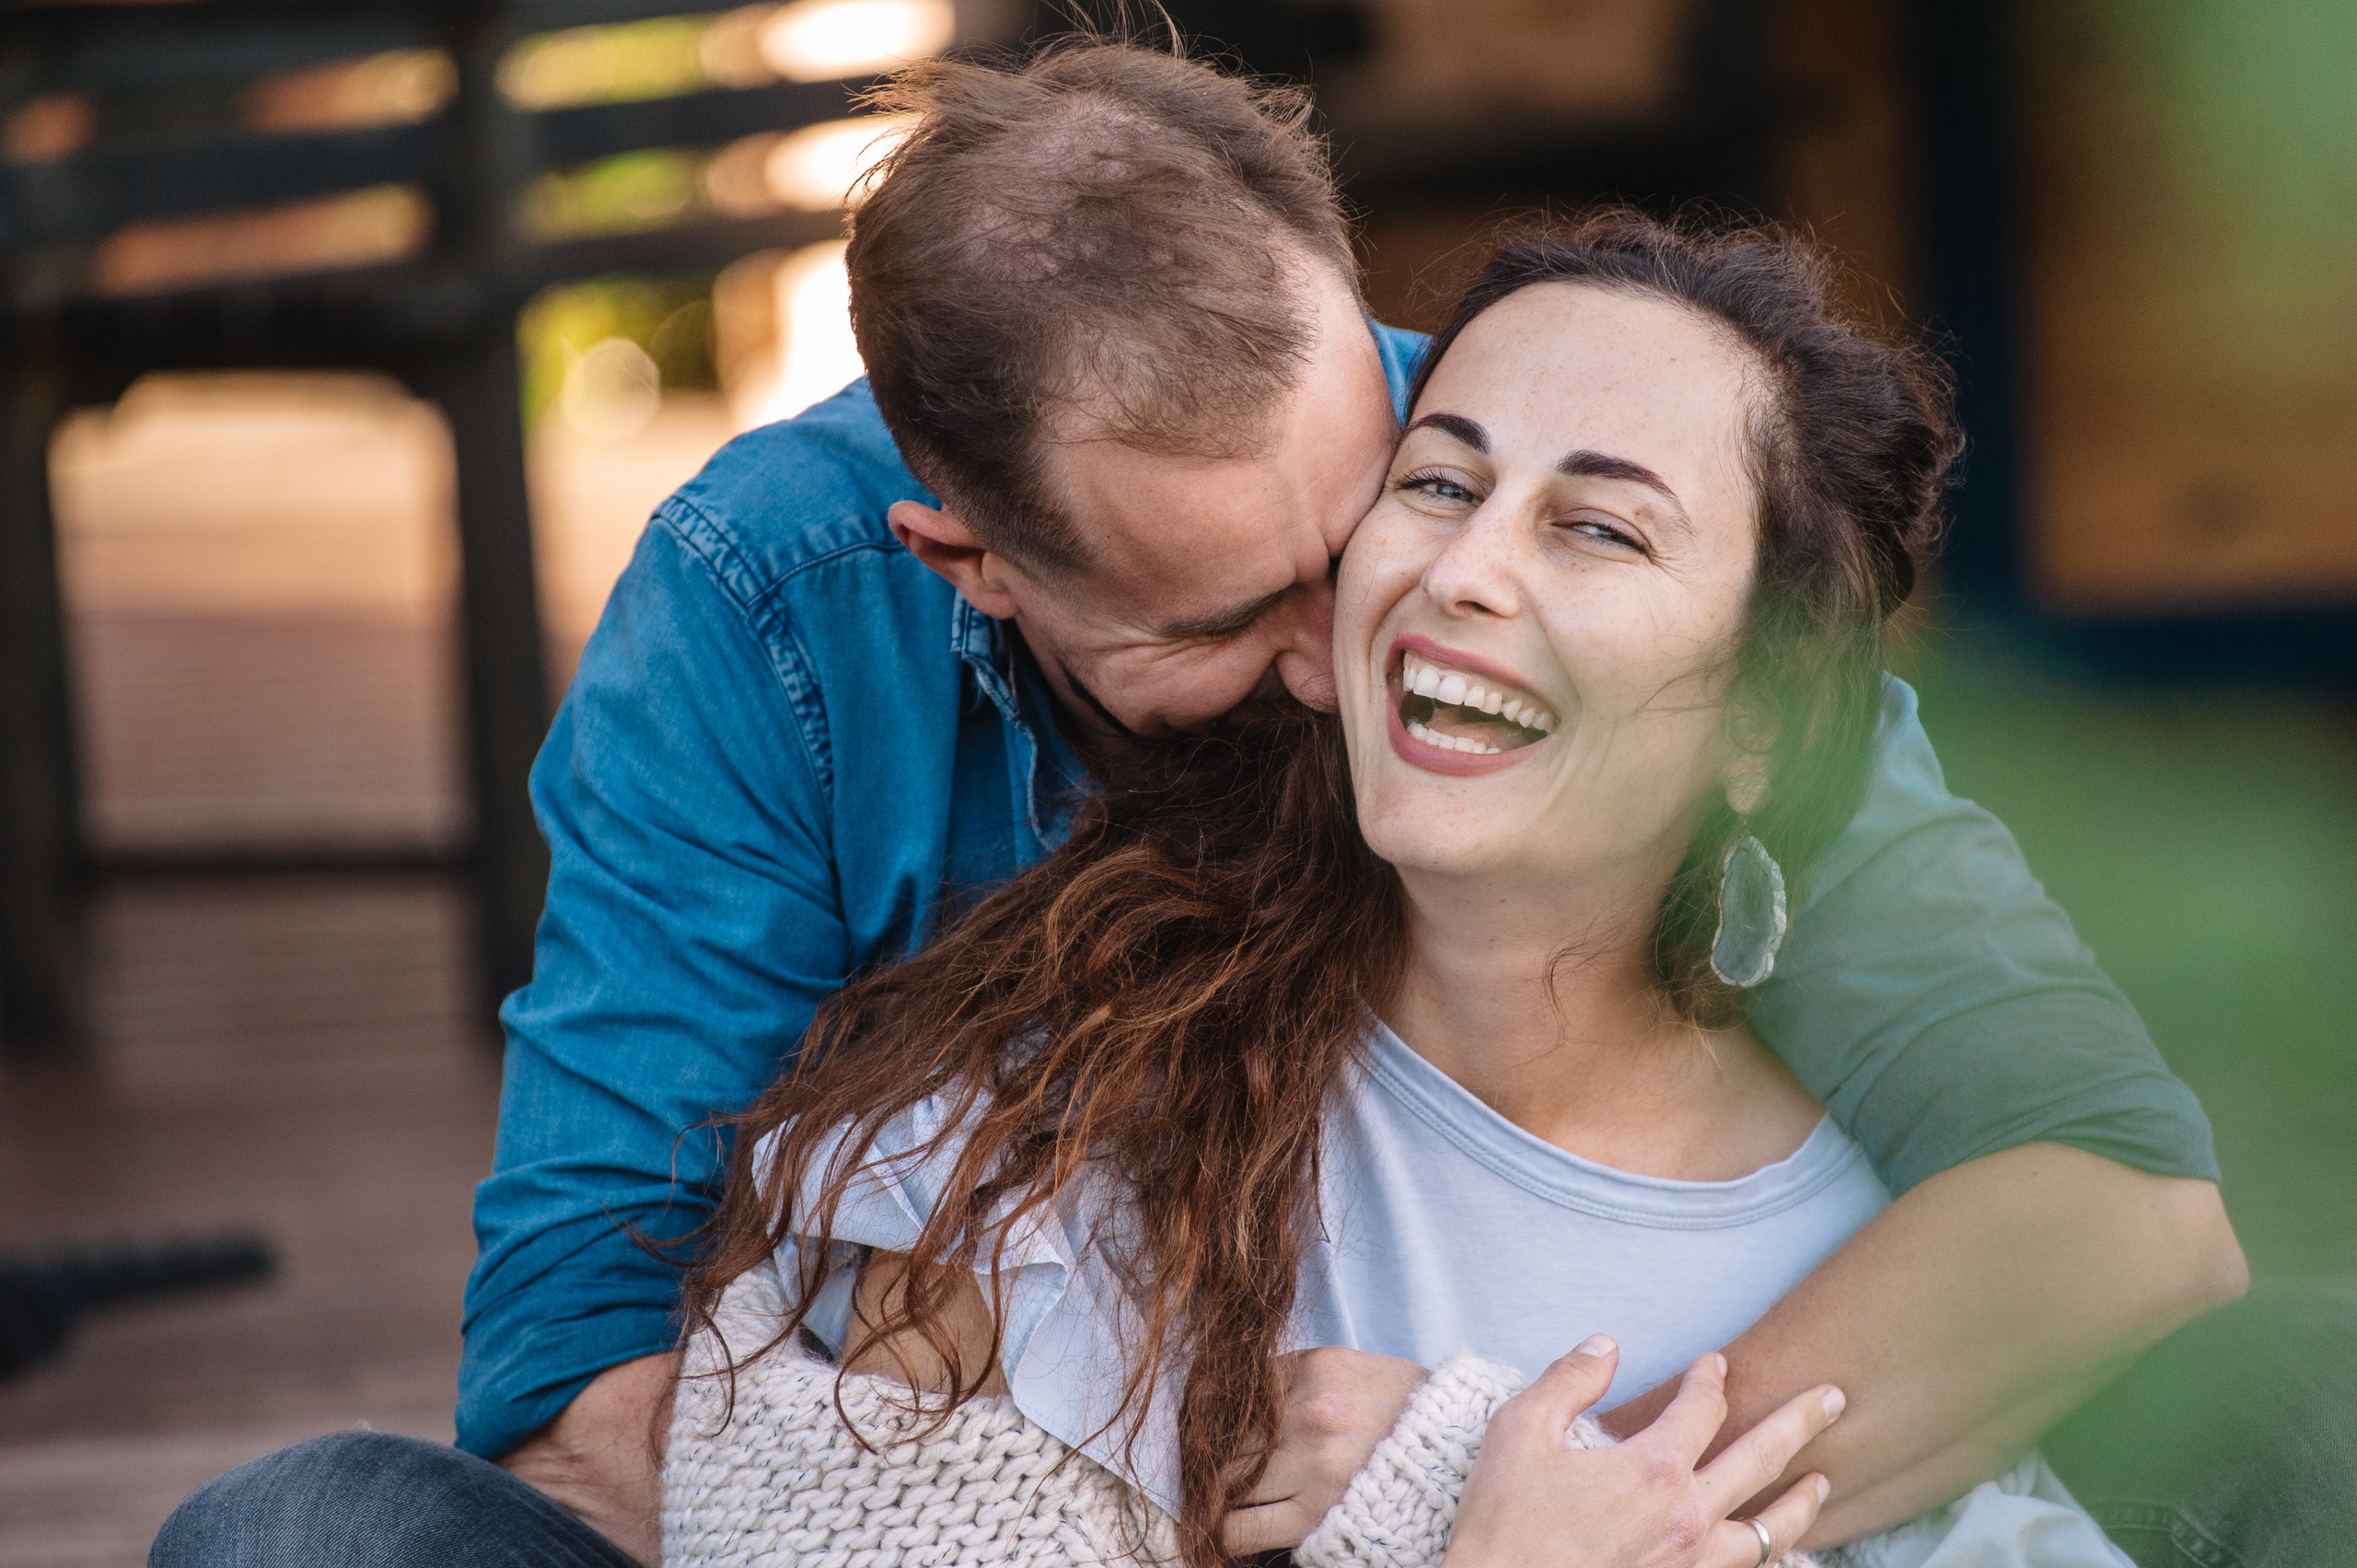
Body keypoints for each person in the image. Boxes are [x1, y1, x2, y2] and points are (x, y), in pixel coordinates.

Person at [153, 41, 2253, 1568]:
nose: (1371, 634)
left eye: (1382, 487)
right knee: (313, 1535)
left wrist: (1524, 1497)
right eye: (1236, 614)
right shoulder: (771, 620)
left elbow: (2111, 1183)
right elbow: (590, 1369)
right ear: (974, 565)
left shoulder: (1541, 512)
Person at [656, 210, 2210, 1568]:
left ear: (1762, 718)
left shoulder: (1910, 1291)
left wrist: (1494, 1484)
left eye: (1597, 527)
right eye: (1440, 483)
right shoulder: (1049, 1148)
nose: (1464, 571)